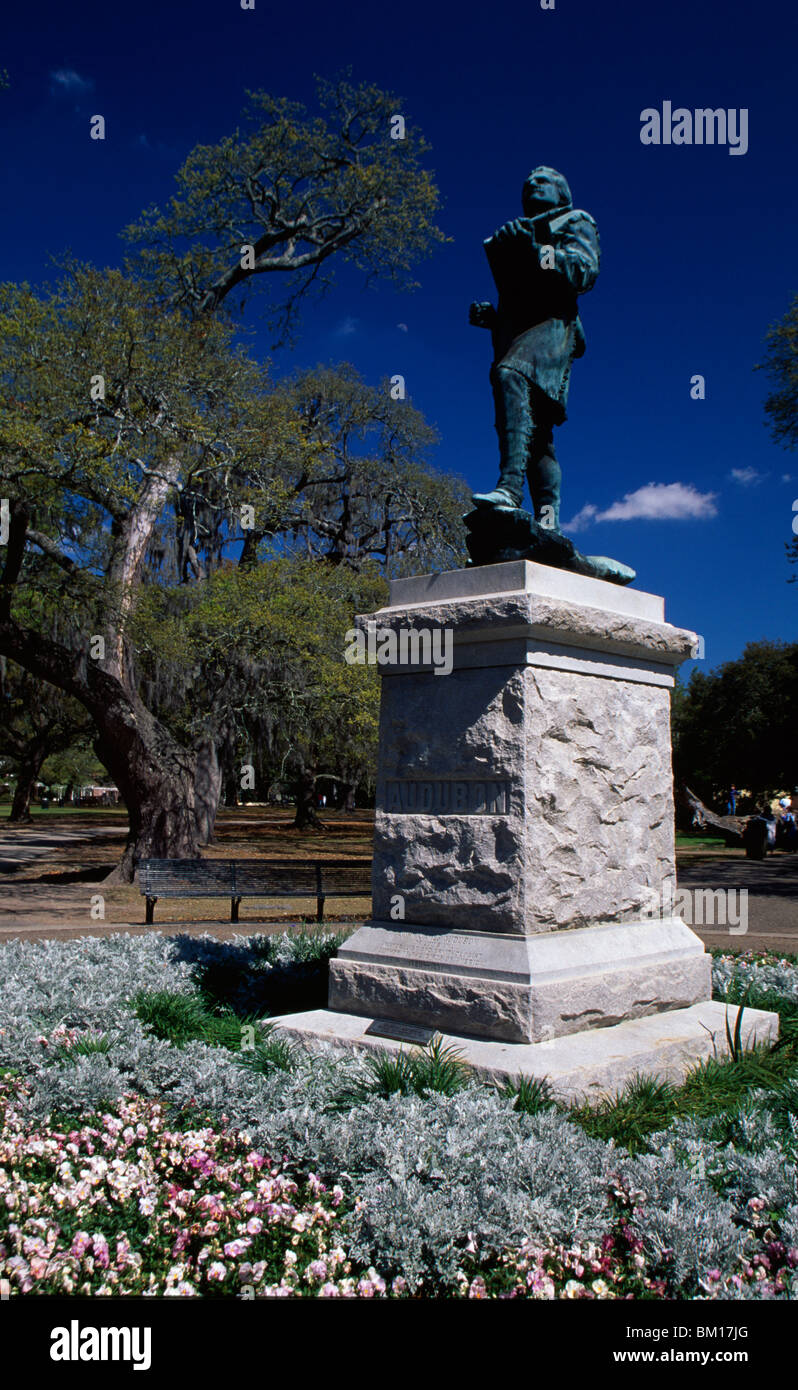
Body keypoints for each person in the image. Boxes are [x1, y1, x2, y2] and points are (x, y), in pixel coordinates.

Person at [470, 166, 601, 532]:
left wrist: (537, 251)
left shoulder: (575, 220)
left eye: (542, 181)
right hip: (519, 330)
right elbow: (518, 296)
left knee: (508, 375)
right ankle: (548, 521)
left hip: (554, 328)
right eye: (527, 183)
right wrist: (493, 319)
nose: (531, 184)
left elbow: (583, 272)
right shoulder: (513, 231)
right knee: (539, 436)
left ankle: (509, 490)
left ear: (562, 193)